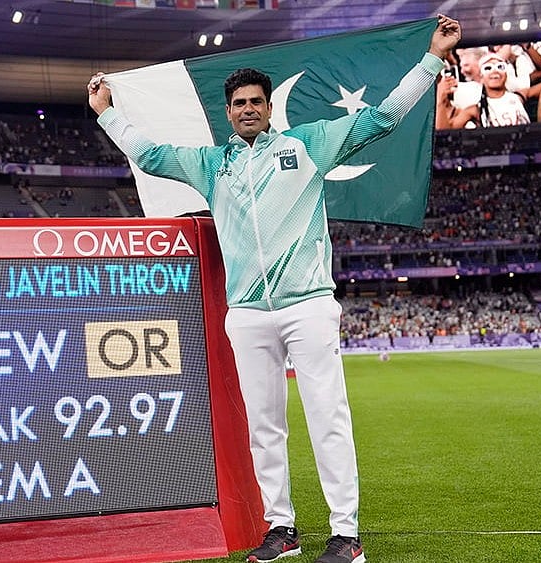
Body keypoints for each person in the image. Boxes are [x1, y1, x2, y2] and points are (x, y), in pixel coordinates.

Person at [88, 15, 461, 563]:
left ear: (268, 107)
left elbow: (381, 120)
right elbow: (147, 155)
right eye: (238, 103)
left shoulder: (306, 145)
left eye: (255, 102)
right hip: (246, 313)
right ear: (228, 111)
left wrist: (431, 58)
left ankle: (345, 535)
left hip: (307, 305)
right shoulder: (211, 165)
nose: (247, 109)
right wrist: (108, 113)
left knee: (327, 418)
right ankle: (280, 530)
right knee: (264, 429)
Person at [437, 52, 530, 128]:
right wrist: (440, 100)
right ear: (481, 77)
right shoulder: (476, 110)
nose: (495, 71)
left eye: (500, 67)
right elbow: (445, 133)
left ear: (506, 73)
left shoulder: (518, 96)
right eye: (488, 68)